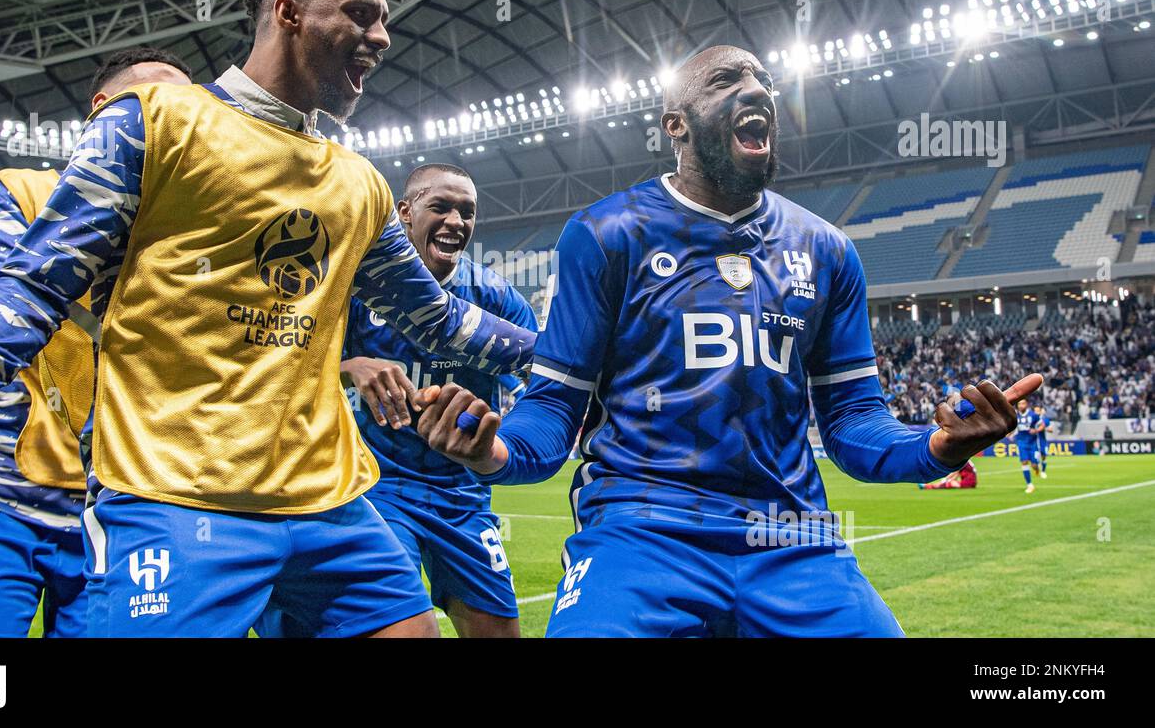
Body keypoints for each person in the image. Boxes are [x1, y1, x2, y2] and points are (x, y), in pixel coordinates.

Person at [0, 0, 535, 639]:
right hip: (175, 499)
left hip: (331, 503)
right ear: (288, 12)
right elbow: (31, 285)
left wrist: (575, 352)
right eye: (361, 14)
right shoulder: (152, 122)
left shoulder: (358, 180)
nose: (383, 37)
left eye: (385, 19)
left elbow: (440, 321)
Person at [415, 45, 1040, 637]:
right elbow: (555, 407)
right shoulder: (604, 235)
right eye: (726, 81)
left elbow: (852, 424)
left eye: (765, 82)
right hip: (641, 533)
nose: (757, 90)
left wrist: (934, 445)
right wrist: (493, 451)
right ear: (676, 125)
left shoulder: (827, 250)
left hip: (792, 539)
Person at [0, 47, 192, 637]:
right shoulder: (22, 191)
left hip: (122, 500)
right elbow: (4, 303)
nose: (182, 121)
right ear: (107, 111)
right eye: (164, 105)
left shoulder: (182, 234)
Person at [272, 164, 533, 637]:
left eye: (467, 212)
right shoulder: (351, 289)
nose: (456, 221)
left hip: (463, 496)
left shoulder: (497, 299)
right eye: (442, 207)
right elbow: (286, 368)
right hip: (376, 486)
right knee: (403, 628)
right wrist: (348, 369)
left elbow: (534, 394)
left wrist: (492, 433)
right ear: (404, 212)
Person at [1015, 398, 1041, 493]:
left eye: (1023, 404)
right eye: (1019, 404)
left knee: (1034, 464)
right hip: (1021, 442)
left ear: (1027, 404)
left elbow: (1041, 425)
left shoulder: (1033, 415)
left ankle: (1037, 469)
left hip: (1033, 444)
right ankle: (1030, 485)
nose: (1021, 406)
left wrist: (1036, 430)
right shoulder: (1015, 416)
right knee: (1024, 462)